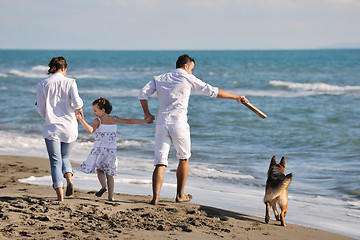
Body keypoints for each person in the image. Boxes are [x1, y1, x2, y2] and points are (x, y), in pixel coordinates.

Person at [138, 54, 249, 205]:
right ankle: (180, 195)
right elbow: (213, 91)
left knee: (160, 162)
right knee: (183, 158)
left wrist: (147, 113)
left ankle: (155, 198)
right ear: (186, 66)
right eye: (192, 69)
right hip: (179, 123)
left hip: (162, 123)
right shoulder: (187, 77)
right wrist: (236, 97)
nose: (191, 72)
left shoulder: (159, 78)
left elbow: (142, 93)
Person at [76, 97, 153, 201]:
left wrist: (81, 120)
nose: (94, 113)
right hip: (111, 151)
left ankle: (103, 187)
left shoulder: (98, 120)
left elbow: (90, 130)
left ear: (102, 110)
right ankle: (111, 197)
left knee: (100, 169)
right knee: (109, 173)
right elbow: (130, 121)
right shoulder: (114, 119)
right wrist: (144, 121)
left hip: (100, 150)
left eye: (95, 110)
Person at [36, 56, 83, 201]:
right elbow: (77, 104)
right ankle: (70, 180)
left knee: (55, 161)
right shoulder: (71, 82)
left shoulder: (42, 84)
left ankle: (60, 197)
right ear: (64, 68)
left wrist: (38, 105)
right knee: (65, 157)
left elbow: (42, 111)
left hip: (52, 128)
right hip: (69, 126)